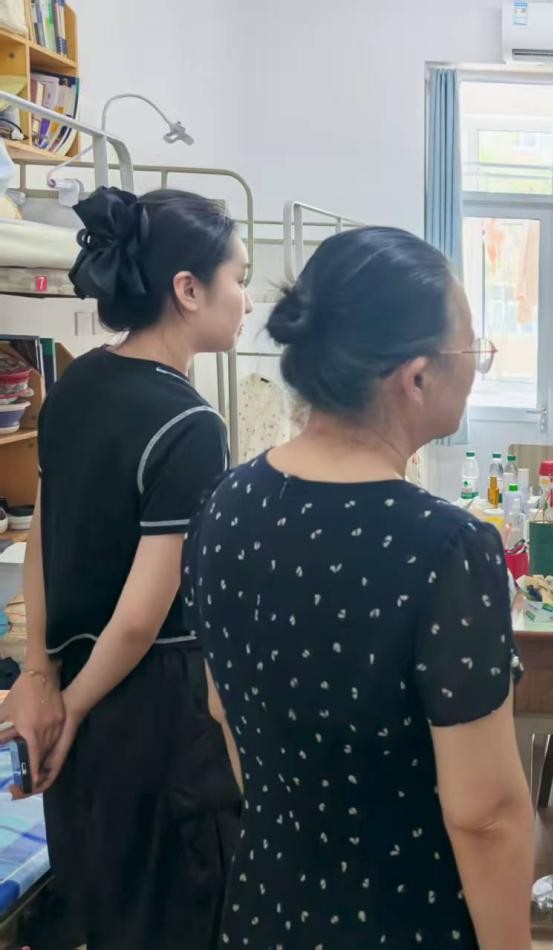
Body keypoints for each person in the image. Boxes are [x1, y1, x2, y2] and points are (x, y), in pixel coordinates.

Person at [184, 227, 534, 949]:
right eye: (472, 349)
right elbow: (485, 814)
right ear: (417, 378)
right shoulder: (448, 548)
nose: (477, 365)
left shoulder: (224, 504)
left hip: (266, 908)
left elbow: (225, 710)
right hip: (401, 919)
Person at [0, 187, 249, 949]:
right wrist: (70, 710)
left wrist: (40, 676)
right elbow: (142, 616)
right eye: (238, 278)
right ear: (188, 289)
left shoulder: (76, 383)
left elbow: (42, 538)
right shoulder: (191, 424)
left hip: (77, 685)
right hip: (152, 713)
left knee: (105, 907)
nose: (245, 299)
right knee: (179, 915)